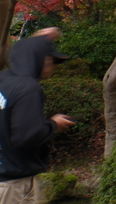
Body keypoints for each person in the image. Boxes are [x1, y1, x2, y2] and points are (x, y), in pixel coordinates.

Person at [0, 35, 74, 203]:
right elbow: (25, 136)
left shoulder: (3, 81)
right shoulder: (28, 88)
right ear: (36, 57)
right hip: (14, 185)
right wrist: (54, 124)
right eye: (49, 59)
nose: (51, 66)